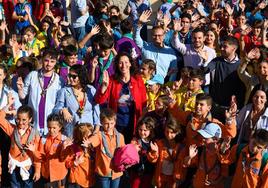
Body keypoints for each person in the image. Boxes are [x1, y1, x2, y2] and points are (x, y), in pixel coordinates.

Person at [95, 52, 147, 143]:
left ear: (130, 63)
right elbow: (99, 100)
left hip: (134, 121)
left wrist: (142, 119)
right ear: (117, 65)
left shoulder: (138, 79)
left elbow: (143, 101)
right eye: (120, 63)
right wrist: (103, 86)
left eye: (126, 62)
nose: (123, 65)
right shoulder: (112, 80)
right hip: (117, 122)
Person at [17, 48, 64, 136]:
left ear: (56, 62)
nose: (49, 64)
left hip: (50, 124)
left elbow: (59, 103)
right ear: (42, 59)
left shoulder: (59, 80)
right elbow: (22, 96)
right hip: (33, 122)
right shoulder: (32, 75)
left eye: (52, 61)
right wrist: (20, 89)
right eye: (46, 60)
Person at [168, 93, 237, 147]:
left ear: (209, 108)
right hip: (188, 157)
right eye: (197, 103)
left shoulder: (213, 123)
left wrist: (229, 120)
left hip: (203, 159)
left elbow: (230, 134)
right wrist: (171, 101)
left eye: (201, 105)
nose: (198, 106)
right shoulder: (189, 116)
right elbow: (177, 113)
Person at [204, 36, 246, 121]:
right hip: (216, 105)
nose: (222, 48)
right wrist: (205, 61)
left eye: (225, 46)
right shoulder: (217, 60)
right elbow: (206, 70)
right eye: (221, 46)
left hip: (233, 108)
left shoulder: (241, 64)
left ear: (234, 48)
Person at [53, 64, 101, 137]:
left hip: (89, 132)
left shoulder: (91, 90)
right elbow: (55, 109)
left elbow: (96, 110)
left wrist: (96, 129)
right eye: (69, 76)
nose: (71, 79)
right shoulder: (64, 91)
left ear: (81, 77)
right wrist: (62, 110)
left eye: (74, 76)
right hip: (71, 133)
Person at [82, 108, 125, 188]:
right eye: (106, 123)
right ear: (101, 123)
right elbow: (92, 140)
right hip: (103, 170)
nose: (109, 126)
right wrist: (88, 143)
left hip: (117, 172)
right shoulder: (99, 135)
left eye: (112, 123)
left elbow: (123, 152)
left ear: (115, 122)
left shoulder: (120, 136)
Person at [0, 105, 41, 187]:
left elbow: (39, 155)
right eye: (18, 119)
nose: (20, 122)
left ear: (30, 119)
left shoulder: (35, 134)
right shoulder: (12, 130)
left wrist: (37, 170)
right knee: (14, 185)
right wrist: (7, 107)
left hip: (27, 166)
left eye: (24, 120)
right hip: (14, 165)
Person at [134, 10, 178, 81]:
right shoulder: (145, 46)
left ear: (164, 36)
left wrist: (169, 84)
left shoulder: (170, 51)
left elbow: (174, 71)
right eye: (155, 35)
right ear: (151, 36)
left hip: (162, 86)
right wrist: (139, 23)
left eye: (159, 35)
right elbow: (136, 38)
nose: (157, 38)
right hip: (145, 83)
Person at [184, 123, 228, 188]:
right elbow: (186, 164)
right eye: (203, 136)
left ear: (215, 139)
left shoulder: (222, 155)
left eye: (206, 137)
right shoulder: (200, 150)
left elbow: (225, 175)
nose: (203, 139)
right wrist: (190, 157)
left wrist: (215, 182)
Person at [29, 113, 68, 188]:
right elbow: (40, 157)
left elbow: (64, 159)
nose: (51, 130)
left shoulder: (64, 140)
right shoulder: (43, 139)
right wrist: (37, 171)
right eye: (49, 127)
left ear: (60, 127)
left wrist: (64, 148)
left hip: (59, 175)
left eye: (54, 128)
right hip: (46, 174)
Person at [148, 114, 184, 188]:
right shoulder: (160, 143)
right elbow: (153, 160)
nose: (169, 135)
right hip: (160, 177)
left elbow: (182, 165)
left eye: (172, 132)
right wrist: (154, 152)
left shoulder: (181, 147)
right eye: (167, 132)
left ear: (177, 132)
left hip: (173, 178)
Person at [61, 123, 95, 188]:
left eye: (91, 136)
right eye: (88, 136)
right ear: (81, 136)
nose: (90, 138)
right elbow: (67, 163)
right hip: (77, 181)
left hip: (89, 179)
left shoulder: (91, 147)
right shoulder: (73, 148)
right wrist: (75, 162)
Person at [130, 116, 156, 188]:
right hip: (136, 171)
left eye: (145, 130)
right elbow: (129, 156)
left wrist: (154, 151)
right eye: (140, 129)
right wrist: (133, 149)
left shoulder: (154, 142)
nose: (142, 132)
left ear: (150, 131)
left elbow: (155, 159)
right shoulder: (135, 141)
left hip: (148, 172)